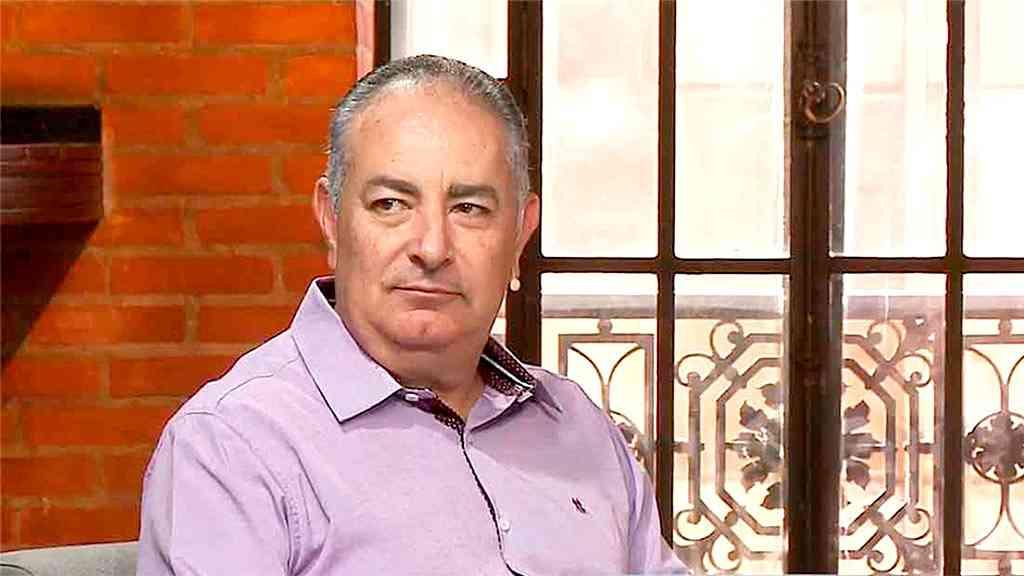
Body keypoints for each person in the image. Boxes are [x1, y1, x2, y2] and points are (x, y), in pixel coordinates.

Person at [136, 54, 687, 575]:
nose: (431, 247)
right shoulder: (232, 446)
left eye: (469, 208)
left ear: (520, 233)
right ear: (331, 219)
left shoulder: (579, 428)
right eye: (391, 205)